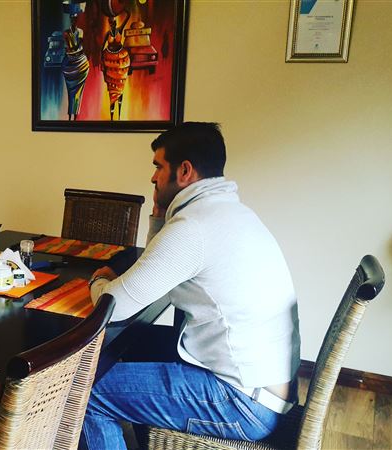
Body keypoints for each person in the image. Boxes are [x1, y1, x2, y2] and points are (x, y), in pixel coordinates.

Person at [82, 122, 300, 449]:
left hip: (242, 403)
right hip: (264, 387)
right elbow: (154, 271)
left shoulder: (194, 226)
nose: (153, 177)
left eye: (158, 166)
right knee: (130, 348)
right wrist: (158, 217)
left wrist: (98, 280)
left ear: (184, 171)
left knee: (86, 392)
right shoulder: (227, 212)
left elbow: (112, 308)